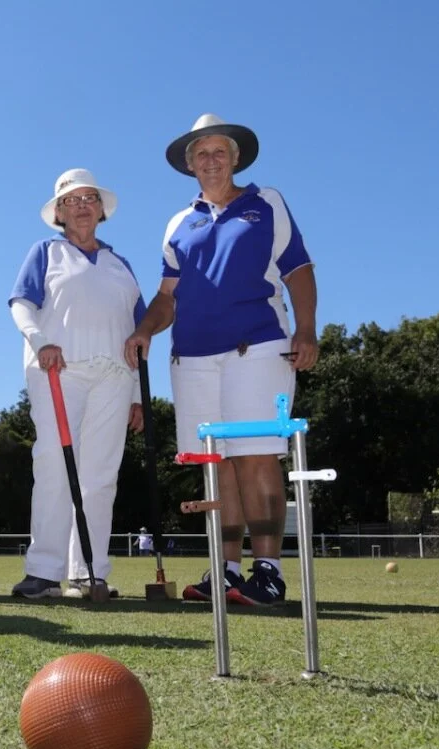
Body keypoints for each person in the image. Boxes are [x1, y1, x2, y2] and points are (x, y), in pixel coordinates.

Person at [125, 114, 319, 606]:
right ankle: (226, 570)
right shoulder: (178, 223)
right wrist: (145, 329)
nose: (210, 160)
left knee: (255, 456)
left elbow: (297, 269)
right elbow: (168, 295)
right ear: (190, 165)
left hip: (256, 347)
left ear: (234, 159)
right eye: (201, 154)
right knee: (216, 465)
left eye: (219, 152)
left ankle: (269, 571)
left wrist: (307, 328)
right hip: (192, 357)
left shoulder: (265, 203)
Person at [8, 169, 145, 599]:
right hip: (58, 369)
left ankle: (89, 571)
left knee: (101, 474)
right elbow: (21, 304)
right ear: (59, 213)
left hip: (115, 376)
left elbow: (138, 334)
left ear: (102, 209)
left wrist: (139, 394)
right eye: (71, 200)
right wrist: (40, 341)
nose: (81, 205)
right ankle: (44, 571)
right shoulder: (46, 251)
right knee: (52, 462)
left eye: (89, 198)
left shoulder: (121, 264)